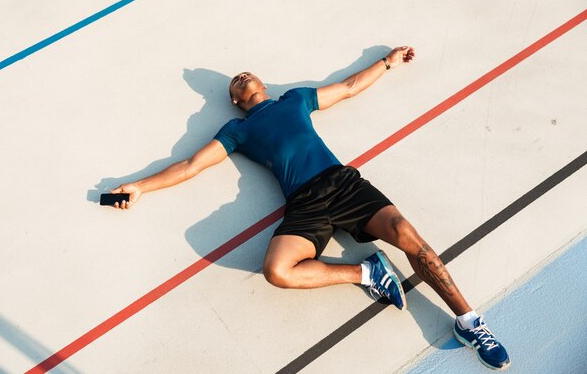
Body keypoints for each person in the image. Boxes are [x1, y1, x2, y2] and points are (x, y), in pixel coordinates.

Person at [110, 46, 510, 370]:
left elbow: (350, 86)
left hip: (343, 184)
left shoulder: (295, 99)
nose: (242, 77)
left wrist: (387, 62)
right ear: (236, 100)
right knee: (276, 271)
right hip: (303, 205)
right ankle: (366, 272)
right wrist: (141, 188)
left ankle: (470, 323)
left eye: (246, 72)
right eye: (236, 81)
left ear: (263, 84)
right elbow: (191, 166)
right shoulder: (237, 130)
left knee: (409, 236)